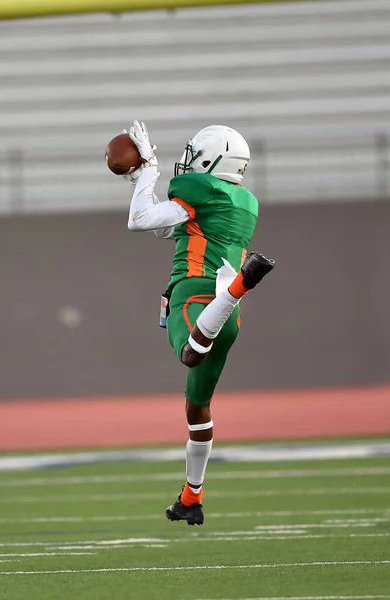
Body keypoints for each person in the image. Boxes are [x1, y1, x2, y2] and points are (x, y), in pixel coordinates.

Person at [122, 121, 275, 525]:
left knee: (190, 353)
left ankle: (241, 285)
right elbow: (165, 227)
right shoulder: (244, 202)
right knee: (197, 409)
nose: (187, 164)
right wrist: (140, 178)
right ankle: (192, 496)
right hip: (225, 320)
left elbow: (139, 219)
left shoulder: (199, 191)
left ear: (212, 159)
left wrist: (150, 169)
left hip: (195, 298)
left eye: (194, 156)